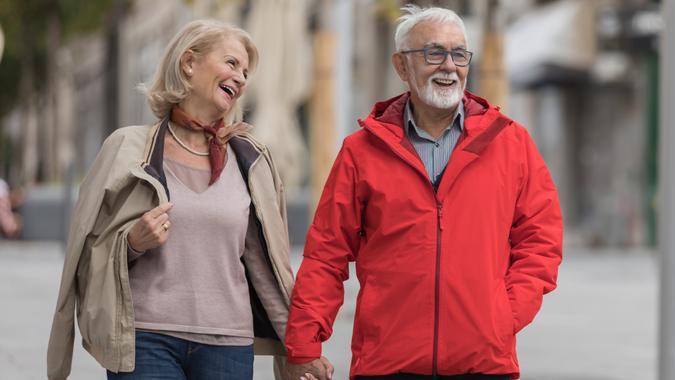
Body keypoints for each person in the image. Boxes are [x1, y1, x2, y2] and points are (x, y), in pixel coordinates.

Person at [285, 5, 563, 380]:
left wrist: (503, 315)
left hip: (483, 365)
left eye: (459, 54)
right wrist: (303, 346)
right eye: (434, 53)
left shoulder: (510, 142)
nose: (449, 65)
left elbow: (541, 241)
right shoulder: (361, 151)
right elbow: (325, 255)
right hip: (387, 365)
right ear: (402, 66)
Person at [48, 19, 298, 380]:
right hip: (146, 338)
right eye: (231, 63)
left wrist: (299, 347)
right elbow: (85, 254)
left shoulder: (253, 160)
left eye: (245, 71)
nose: (241, 77)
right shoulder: (126, 149)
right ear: (189, 63)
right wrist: (132, 243)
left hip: (228, 346)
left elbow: (267, 267)